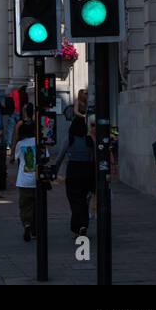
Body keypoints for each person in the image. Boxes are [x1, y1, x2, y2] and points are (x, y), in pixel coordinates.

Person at [53, 101, 96, 236]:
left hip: (73, 171)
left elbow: (59, 157)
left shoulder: (69, 139)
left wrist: (54, 171)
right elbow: (94, 158)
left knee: (74, 199)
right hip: (87, 171)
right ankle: (83, 224)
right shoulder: (89, 140)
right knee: (84, 199)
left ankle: (78, 224)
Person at [11, 120, 37, 242]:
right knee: (37, 206)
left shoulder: (20, 144)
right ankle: (35, 229)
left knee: (25, 205)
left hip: (23, 180)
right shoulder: (38, 143)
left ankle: (27, 224)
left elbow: (16, 158)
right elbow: (46, 156)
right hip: (37, 180)